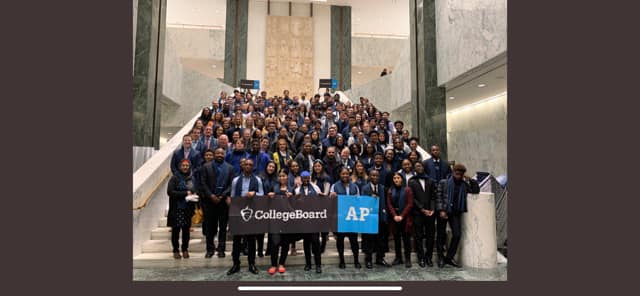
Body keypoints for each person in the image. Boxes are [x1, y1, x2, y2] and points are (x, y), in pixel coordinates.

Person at [435, 163, 480, 268]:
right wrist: (441, 210)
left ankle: (449, 258)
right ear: (453, 172)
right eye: (456, 173)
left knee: (457, 235)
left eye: (460, 174)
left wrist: (471, 180)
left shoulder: (464, 184)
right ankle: (441, 258)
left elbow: (475, 191)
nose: (458, 175)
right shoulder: (444, 182)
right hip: (444, 212)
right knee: (441, 235)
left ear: (463, 174)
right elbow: (438, 197)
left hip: (455, 213)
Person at [227, 159, 264, 275]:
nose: (248, 166)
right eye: (246, 164)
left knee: (251, 240)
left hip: (251, 212)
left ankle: (251, 264)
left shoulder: (257, 180)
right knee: (237, 240)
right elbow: (232, 196)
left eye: (250, 165)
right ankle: (235, 264)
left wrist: (255, 194)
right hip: (238, 212)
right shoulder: (235, 180)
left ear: (253, 167)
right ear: (242, 166)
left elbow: (262, 195)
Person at [167, 159, 199, 259]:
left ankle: (185, 249)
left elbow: (194, 190)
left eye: (187, 165)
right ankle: (176, 250)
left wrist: (193, 195)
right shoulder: (175, 178)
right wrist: (185, 194)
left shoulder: (191, 178)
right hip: (176, 209)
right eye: (183, 165)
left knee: (186, 231)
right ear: (180, 167)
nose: (185, 167)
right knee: (176, 232)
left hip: (187, 209)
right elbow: (170, 192)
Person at [408, 161, 438, 268]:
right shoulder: (411, 181)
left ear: (423, 167)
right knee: (418, 236)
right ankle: (421, 258)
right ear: (414, 169)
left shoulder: (431, 180)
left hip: (430, 213)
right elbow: (412, 198)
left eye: (420, 166)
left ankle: (428, 257)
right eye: (416, 166)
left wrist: (433, 209)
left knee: (430, 236)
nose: (419, 167)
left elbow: (434, 197)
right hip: (418, 213)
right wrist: (421, 209)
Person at [330, 167, 361, 269]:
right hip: (340, 218)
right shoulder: (334, 186)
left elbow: (359, 201)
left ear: (349, 174)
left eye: (347, 174)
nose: (345, 176)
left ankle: (356, 260)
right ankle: (342, 261)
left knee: (354, 241)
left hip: (352, 218)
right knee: (340, 241)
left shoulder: (355, 187)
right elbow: (331, 203)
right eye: (343, 174)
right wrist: (332, 197)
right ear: (340, 175)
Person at [360, 169, 391, 268]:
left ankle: (380, 258)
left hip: (380, 218)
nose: (375, 177)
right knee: (369, 240)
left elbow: (386, 204)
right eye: (373, 176)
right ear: (369, 177)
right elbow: (362, 203)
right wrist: (370, 198)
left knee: (381, 240)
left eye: (377, 176)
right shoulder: (365, 188)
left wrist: (385, 217)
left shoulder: (383, 188)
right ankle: (368, 260)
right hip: (369, 218)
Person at [294, 171, 323, 273]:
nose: (306, 180)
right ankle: (308, 263)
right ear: (301, 179)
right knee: (306, 243)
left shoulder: (315, 188)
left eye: (307, 178)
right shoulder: (297, 190)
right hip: (304, 221)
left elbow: (321, 201)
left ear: (309, 178)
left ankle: (318, 265)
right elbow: (295, 205)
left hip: (314, 220)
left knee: (315, 242)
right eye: (304, 178)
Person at [208, 147, 235, 257]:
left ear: (224, 154)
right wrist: (211, 195)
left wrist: (222, 195)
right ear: (214, 154)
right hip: (210, 201)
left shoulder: (230, 168)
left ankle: (221, 249)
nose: (220, 155)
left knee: (223, 227)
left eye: (221, 153)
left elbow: (231, 184)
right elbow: (203, 183)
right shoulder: (206, 167)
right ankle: (210, 250)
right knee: (210, 227)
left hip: (223, 202)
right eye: (218, 153)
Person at [265, 169, 293, 275]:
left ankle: (281, 263)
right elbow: (266, 201)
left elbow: (297, 204)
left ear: (287, 177)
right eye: (280, 176)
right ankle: (273, 264)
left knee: (285, 243)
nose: (282, 178)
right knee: (274, 243)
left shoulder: (292, 188)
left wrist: (292, 198)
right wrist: (269, 196)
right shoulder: (274, 187)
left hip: (287, 220)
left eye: (284, 176)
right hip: (275, 219)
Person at [387, 172, 414, 268]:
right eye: (394, 178)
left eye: (398, 178)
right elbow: (389, 204)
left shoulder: (407, 190)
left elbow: (410, 204)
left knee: (406, 239)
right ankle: (398, 258)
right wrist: (395, 215)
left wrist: (402, 216)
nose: (396, 179)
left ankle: (407, 259)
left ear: (402, 179)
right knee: (397, 239)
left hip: (405, 218)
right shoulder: (390, 190)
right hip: (394, 218)